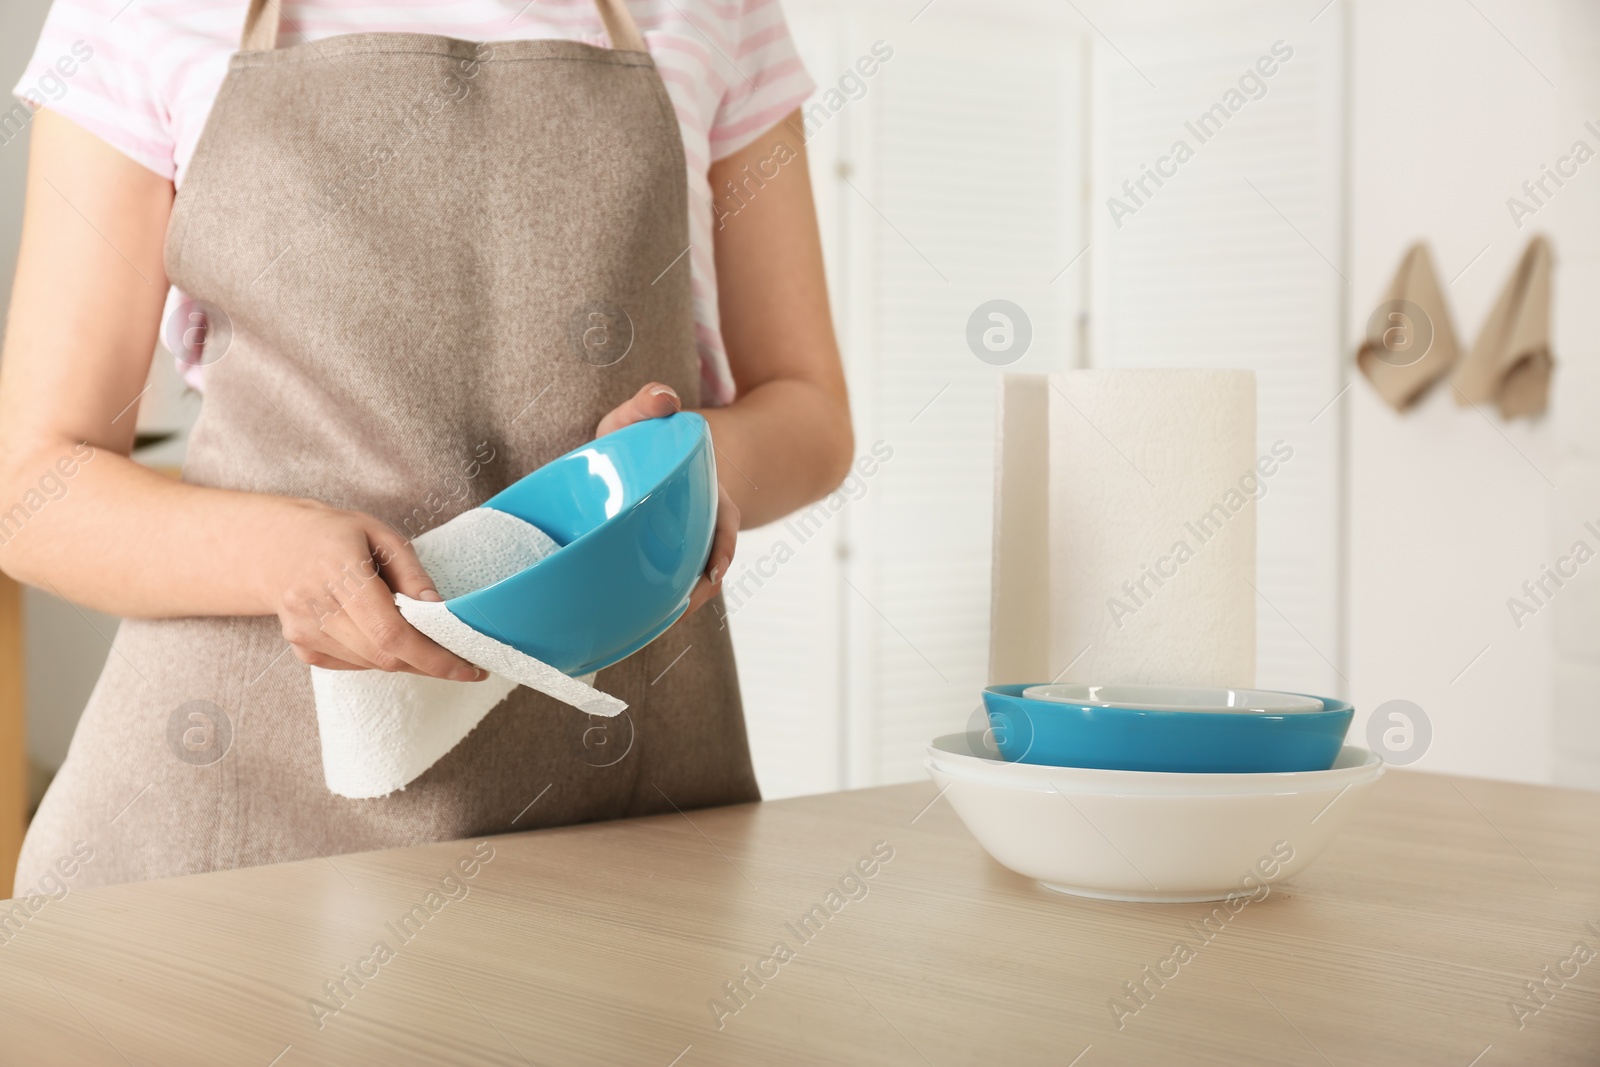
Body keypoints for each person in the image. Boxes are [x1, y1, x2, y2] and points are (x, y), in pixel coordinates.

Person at [0, 0, 851, 891]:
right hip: (230, 822)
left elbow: (812, 414)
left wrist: (681, 469)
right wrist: (280, 554)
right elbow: (36, 485)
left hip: (618, 807)